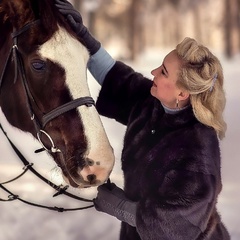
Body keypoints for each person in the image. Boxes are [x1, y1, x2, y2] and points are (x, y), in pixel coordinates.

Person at [55, 1, 230, 239]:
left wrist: (119, 206)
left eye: (164, 72)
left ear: (182, 94)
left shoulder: (198, 150)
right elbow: (114, 78)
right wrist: (84, 37)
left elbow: (174, 227)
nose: (154, 72)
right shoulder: (154, 103)